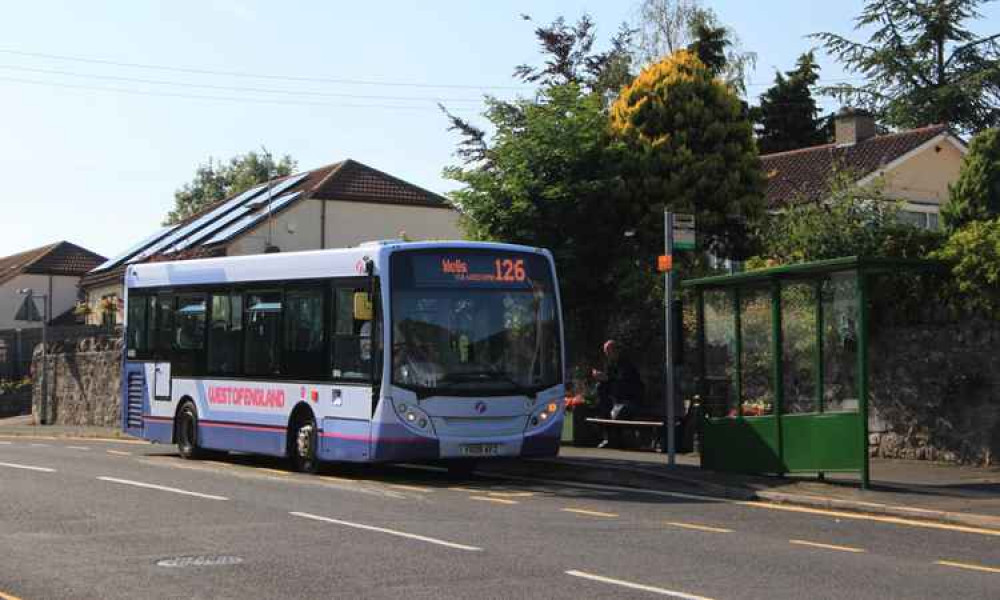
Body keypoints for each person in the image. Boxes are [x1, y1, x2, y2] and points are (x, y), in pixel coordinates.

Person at [591, 340, 644, 449]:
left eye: (609, 352)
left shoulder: (626, 364)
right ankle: (608, 438)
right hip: (616, 399)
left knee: (617, 411)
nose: (607, 355)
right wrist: (601, 378)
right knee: (602, 404)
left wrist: (607, 378)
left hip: (630, 399)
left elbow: (623, 382)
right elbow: (610, 380)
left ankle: (614, 440)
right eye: (606, 353)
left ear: (615, 351)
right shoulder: (610, 364)